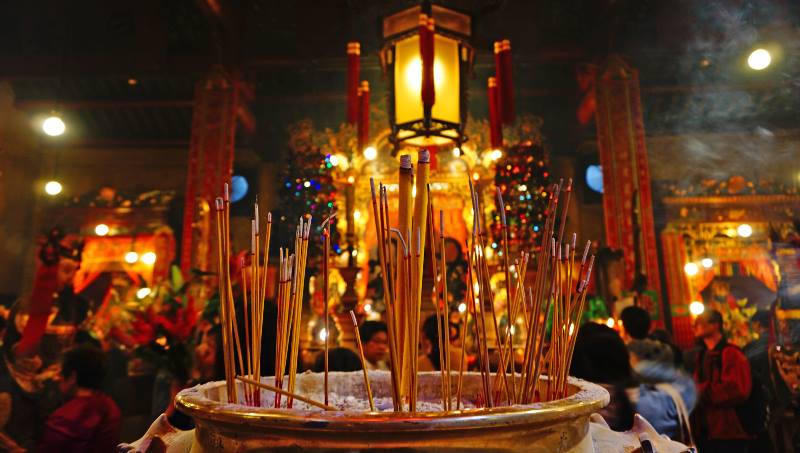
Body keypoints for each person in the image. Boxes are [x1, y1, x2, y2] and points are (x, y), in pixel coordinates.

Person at [39, 345, 121, 452]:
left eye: (60, 373)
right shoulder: (110, 405)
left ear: (73, 376)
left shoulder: (64, 418)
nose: (57, 379)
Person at [691, 309, 752, 453]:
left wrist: (699, 390)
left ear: (715, 325)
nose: (694, 326)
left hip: (729, 431)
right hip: (706, 431)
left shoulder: (731, 353)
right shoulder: (701, 355)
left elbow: (737, 390)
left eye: (699, 322)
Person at [628, 338, 697, 442]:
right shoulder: (681, 382)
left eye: (630, 358)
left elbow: (649, 417)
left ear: (639, 359)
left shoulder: (661, 394)